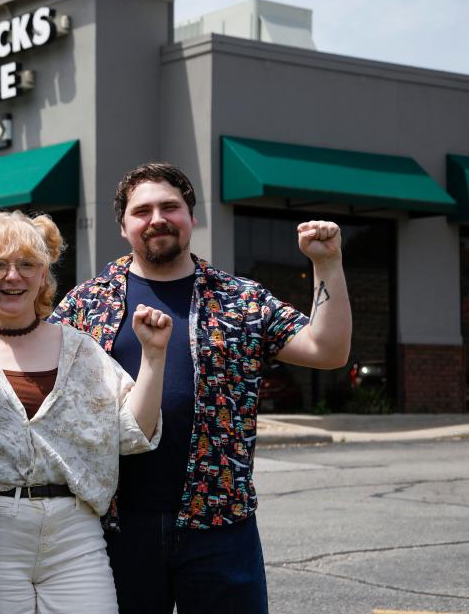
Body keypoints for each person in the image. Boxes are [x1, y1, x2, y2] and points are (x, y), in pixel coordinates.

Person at [48, 162, 352, 613]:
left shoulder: (240, 299)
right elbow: (30, 365)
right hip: (113, 525)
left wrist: (327, 263)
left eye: (170, 206)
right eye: (142, 210)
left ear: (192, 217)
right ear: (124, 226)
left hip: (220, 522)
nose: (157, 218)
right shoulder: (87, 302)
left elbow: (327, 350)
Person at [0, 210, 171, 613]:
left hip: (75, 534)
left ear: (43, 276)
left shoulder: (81, 350)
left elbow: (133, 434)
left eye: (26, 265)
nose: (12, 276)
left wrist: (154, 356)